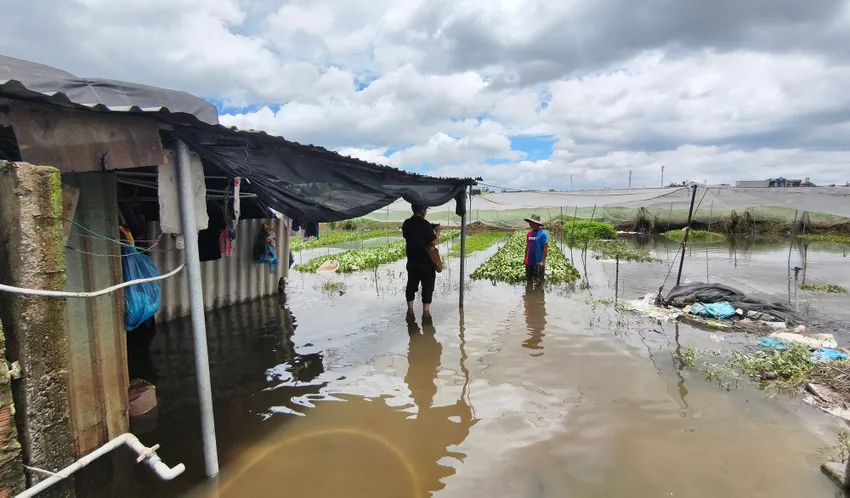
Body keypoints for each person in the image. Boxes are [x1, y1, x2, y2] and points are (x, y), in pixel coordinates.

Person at [402, 204, 440, 315]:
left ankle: (410, 310)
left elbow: (409, 235)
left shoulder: (407, 223)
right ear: (422, 211)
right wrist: (437, 232)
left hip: (412, 262)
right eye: (425, 209)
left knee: (411, 286)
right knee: (427, 288)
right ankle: (426, 313)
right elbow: (434, 242)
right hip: (426, 263)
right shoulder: (425, 224)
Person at [523, 214, 549, 284]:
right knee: (529, 280)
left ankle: (538, 294)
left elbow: (545, 248)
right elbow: (528, 246)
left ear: (536, 223)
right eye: (529, 222)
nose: (529, 224)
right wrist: (525, 258)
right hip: (529, 261)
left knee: (539, 282)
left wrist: (543, 261)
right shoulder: (529, 233)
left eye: (531, 222)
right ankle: (529, 293)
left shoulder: (543, 234)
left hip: (538, 262)